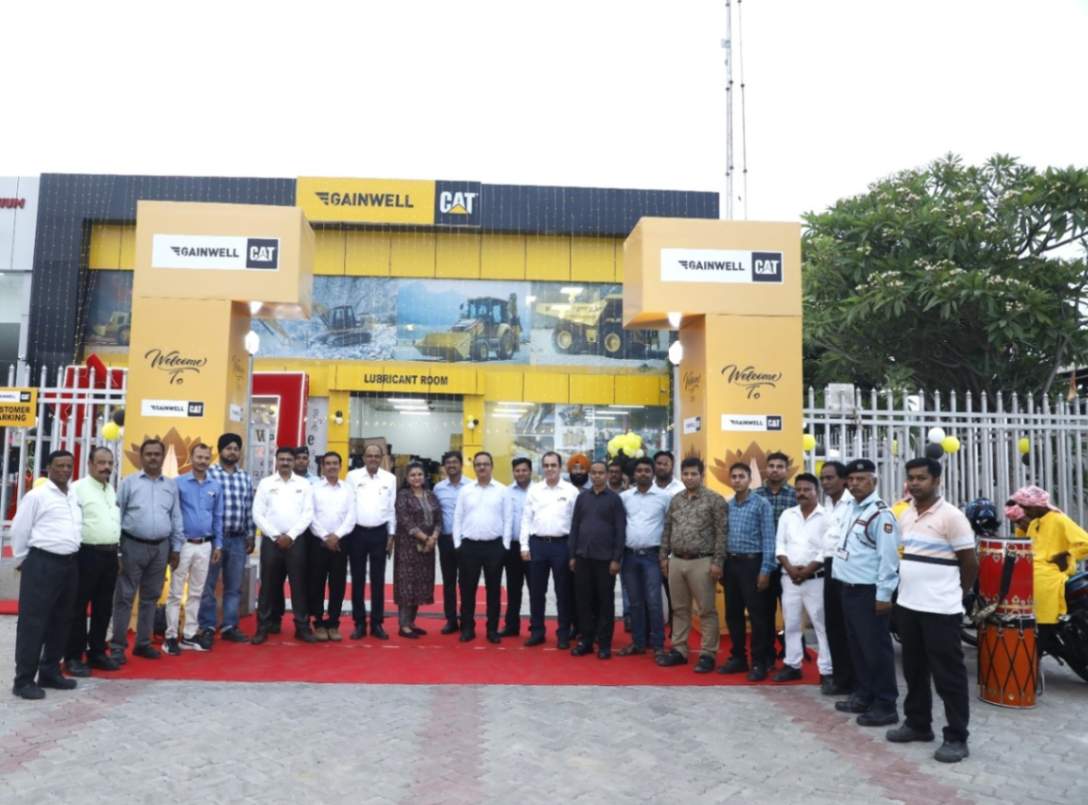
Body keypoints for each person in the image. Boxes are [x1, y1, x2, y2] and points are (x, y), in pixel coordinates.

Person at [890, 457, 978, 764]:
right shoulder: (906, 514)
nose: (915, 483)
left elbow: (970, 562)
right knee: (914, 670)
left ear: (937, 480)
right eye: (911, 478)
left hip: (941, 609)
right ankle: (918, 724)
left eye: (921, 478)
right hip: (908, 605)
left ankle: (956, 737)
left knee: (948, 675)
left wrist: (957, 594)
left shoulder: (952, 517)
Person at [832, 459, 900, 727]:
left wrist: (884, 596)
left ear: (874, 481)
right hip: (848, 588)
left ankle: (885, 704)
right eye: (851, 479)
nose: (855, 484)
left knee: (876, 650)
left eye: (861, 479)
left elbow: (889, 559)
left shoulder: (881, 514)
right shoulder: (851, 507)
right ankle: (864, 695)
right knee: (858, 648)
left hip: (869, 592)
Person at [10, 450, 81, 700]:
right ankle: (23, 680)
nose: (64, 470)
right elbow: (19, 529)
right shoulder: (37, 496)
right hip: (42, 563)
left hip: (69, 564)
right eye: (59, 465)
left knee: (62, 620)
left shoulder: (72, 494)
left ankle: (50, 671)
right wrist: (24, 560)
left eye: (68, 466)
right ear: (48, 468)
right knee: (34, 623)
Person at [110, 438, 183, 663]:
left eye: (157, 454)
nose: (153, 458)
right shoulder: (129, 483)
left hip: (161, 548)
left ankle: (143, 643)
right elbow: (117, 515)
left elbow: (176, 517)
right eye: (149, 454)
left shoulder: (171, 485)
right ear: (141, 457)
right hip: (132, 546)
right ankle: (117, 646)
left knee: (150, 597)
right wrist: (117, 550)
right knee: (125, 597)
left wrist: (176, 548)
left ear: (163, 457)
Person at [657, 457, 727, 673]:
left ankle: (707, 654)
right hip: (677, 560)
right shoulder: (676, 500)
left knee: (706, 610)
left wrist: (718, 562)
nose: (689, 478)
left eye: (693, 474)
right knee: (679, 609)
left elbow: (722, 533)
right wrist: (663, 557)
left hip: (703, 561)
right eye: (685, 474)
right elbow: (667, 530)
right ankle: (679, 650)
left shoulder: (715, 500)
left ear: (701, 475)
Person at [1011, 485, 1088, 656]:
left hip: (1049, 575)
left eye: (1026, 508)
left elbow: (1085, 543)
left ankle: (1039, 643)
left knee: (1041, 623)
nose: (1025, 512)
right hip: (1036, 572)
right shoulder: (1035, 523)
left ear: (1038, 506)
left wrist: (1067, 554)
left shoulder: (1059, 520)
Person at [64, 447, 122, 676]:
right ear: (90, 464)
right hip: (86, 554)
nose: (106, 467)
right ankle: (73, 656)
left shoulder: (110, 489)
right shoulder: (77, 488)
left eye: (110, 463)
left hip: (110, 555)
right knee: (78, 608)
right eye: (101, 462)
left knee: (103, 607)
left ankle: (97, 652)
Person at [251, 447, 316, 644]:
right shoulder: (266, 483)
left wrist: (291, 535)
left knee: (299, 585)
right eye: (282, 459)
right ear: (276, 461)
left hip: (296, 541)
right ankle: (262, 627)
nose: (285, 462)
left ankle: (302, 627)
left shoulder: (304, 484)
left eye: (289, 459)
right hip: (272, 541)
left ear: (294, 462)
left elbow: (308, 513)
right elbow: (257, 513)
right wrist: (275, 535)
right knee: (268, 585)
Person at [164, 443, 224, 655]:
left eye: (206, 458)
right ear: (191, 458)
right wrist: (174, 546)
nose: (202, 461)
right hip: (183, 545)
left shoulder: (215, 486)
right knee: (175, 593)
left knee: (197, 593)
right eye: (199, 457)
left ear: (210, 460)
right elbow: (172, 515)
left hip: (205, 545)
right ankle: (171, 636)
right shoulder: (177, 483)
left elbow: (218, 517)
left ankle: (189, 635)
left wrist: (218, 544)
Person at [719, 462, 776, 680]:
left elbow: (769, 539)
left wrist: (766, 570)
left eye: (741, 476)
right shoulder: (728, 505)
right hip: (731, 564)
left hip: (753, 564)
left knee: (757, 615)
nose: (737, 480)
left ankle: (759, 662)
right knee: (733, 614)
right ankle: (738, 658)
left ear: (750, 479)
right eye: (733, 476)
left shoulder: (761, 504)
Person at [773, 473, 831, 684]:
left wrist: (807, 571)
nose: (802, 493)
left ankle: (827, 670)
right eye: (798, 490)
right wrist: (790, 569)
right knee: (791, 624)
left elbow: (827, 549)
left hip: (816, 579)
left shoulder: (827, 516)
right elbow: (780, 545)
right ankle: (792, 665)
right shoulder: (788, 515)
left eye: (807, 489)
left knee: (821, 625)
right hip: (789, 579)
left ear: (817, 491)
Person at [199, 433, 255, 646]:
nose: (232, 452)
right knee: (208, 584)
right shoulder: (209, 474)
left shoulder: (245, 477)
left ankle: (230, 626)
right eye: (228, 448)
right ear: (220, 450)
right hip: (214, 540)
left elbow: (248, 508)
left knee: (234, 586)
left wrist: (250, 534)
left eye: (236, 449)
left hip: (238, 539)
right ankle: (207, 626)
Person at [568, 460, 626, 659]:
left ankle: (604, 644)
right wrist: (572, 555)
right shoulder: (582, 498)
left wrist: (616, 558)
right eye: (594, 472)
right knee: (583, 601)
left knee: (605, 602)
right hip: (583, 558)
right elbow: (575, 526)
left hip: (605, 560)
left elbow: (620, 530)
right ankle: (586, 641)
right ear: (590, 475)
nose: (597, 476)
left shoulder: (614, 500)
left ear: (607, 475)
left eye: (601, 473)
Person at [521, 451, 578, 649]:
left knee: (563, 592)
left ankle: (563, 634)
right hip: (537, 545)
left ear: (560, 467)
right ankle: (537, 631)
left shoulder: (571, 491)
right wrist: (524, 546)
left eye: (553, 465)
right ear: (542, 468)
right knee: (537, 591)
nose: (550, 469)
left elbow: (576, 523)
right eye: (546, 465)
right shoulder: (535, 490)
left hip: (563, 545)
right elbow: (526, 519)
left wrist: (574, 551)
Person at [453, 451, 510, 643]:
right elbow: (458, 517)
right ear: (474, 467)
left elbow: (508, 519)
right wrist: (458, 544)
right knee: (467, 590)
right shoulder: (466, 490)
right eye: (478, 464)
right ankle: (467, 628)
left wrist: (505, 546)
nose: (482, 467)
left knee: (494, 591)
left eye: (485, 464)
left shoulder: (502, 490)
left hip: (495, 547)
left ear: (492, 466)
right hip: (469, 547)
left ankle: (492, 630)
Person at [619, 457, 670, 658]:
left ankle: (658, 644)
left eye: (647, 470)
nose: (643, 473)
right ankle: (638, 643)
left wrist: (666, 556)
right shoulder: (625, 497)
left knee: (654, 601)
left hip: (652, 556)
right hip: (629, 556)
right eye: (639, 470)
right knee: (635, 602)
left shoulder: (664, 497)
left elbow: (669, 527)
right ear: (634, 474)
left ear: (653, 473)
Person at [345, 443, 396, 640]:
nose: (373, 459)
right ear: (363, 458)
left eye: (376, 456)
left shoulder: (390, 479)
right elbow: (348, 505)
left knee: (378, 580)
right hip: (357, 533)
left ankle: (376, 623)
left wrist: (391, 535)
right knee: (357, 579)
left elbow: (391, 509)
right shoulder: (352, 477)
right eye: (369, 455)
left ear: (381, 458)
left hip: (379, 534)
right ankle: (359, 623)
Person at [756, 451, 797, 669]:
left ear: (786, 470)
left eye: (779, 466)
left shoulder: (796, 495)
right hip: (763, 564)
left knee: (790, 613)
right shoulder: (755, 495)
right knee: (764, 613)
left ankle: (792, 656)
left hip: (789, 565)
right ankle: (767, 656)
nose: (775, 470)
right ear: (766, 469)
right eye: (771, 466)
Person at [307, 452, 354, 641]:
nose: (332, 466)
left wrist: (336, 536)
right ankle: (318, 622)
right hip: (319, 542)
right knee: (316, 583)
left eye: (335, 463)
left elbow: (352, 516)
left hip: (341, 543)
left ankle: (333, 623)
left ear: (340, 466)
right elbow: (310, 515)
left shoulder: (348, 489)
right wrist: (326, 537)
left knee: (338, 585)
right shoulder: (314, 488)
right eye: (328, 463)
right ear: (322, 467)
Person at [819, 460, 856, 696]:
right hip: (829, 565)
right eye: (822, 478)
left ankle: (855, 681)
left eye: (830, 478)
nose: (825, 482)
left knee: (849, 626)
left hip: (849, 566)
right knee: (833, 624)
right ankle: (842, 679)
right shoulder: (827, 505)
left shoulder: (852, 504)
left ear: (843, 480)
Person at [393, 462, 440, 639]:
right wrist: (425, 538)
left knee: (421, 584)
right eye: (412, 475)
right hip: (408, 547)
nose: (416, 478)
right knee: (407, 584)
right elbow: (405, 521)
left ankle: (412, 623)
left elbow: (438, 520)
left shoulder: (431, 495)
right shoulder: (403, 496)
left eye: (419, 474)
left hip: (427, 549)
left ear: (424, 476)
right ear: (407, 478)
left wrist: (433, 537)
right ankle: (403, 625)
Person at [433, 450, 470, 635]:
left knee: (466, 581)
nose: (451, 465)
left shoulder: (471, 486)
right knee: (448, 582)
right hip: (446, 539)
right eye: (448, 463)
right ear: (444, 466)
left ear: (461, 464)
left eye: (455, 462)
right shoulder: (438, 488)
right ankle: (451, 620)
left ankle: (466, 619)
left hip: (466, 541)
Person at [501, 457, 533, 637]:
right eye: (517, 470)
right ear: (513, 472)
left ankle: (536, 626)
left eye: (524, 470)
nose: (521, 473)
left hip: (534, 546)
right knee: (513, 588)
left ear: (530, 471)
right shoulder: (507, 492)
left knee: (535, 588)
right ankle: (511, 625)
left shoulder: (538, 491)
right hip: (513, 547)